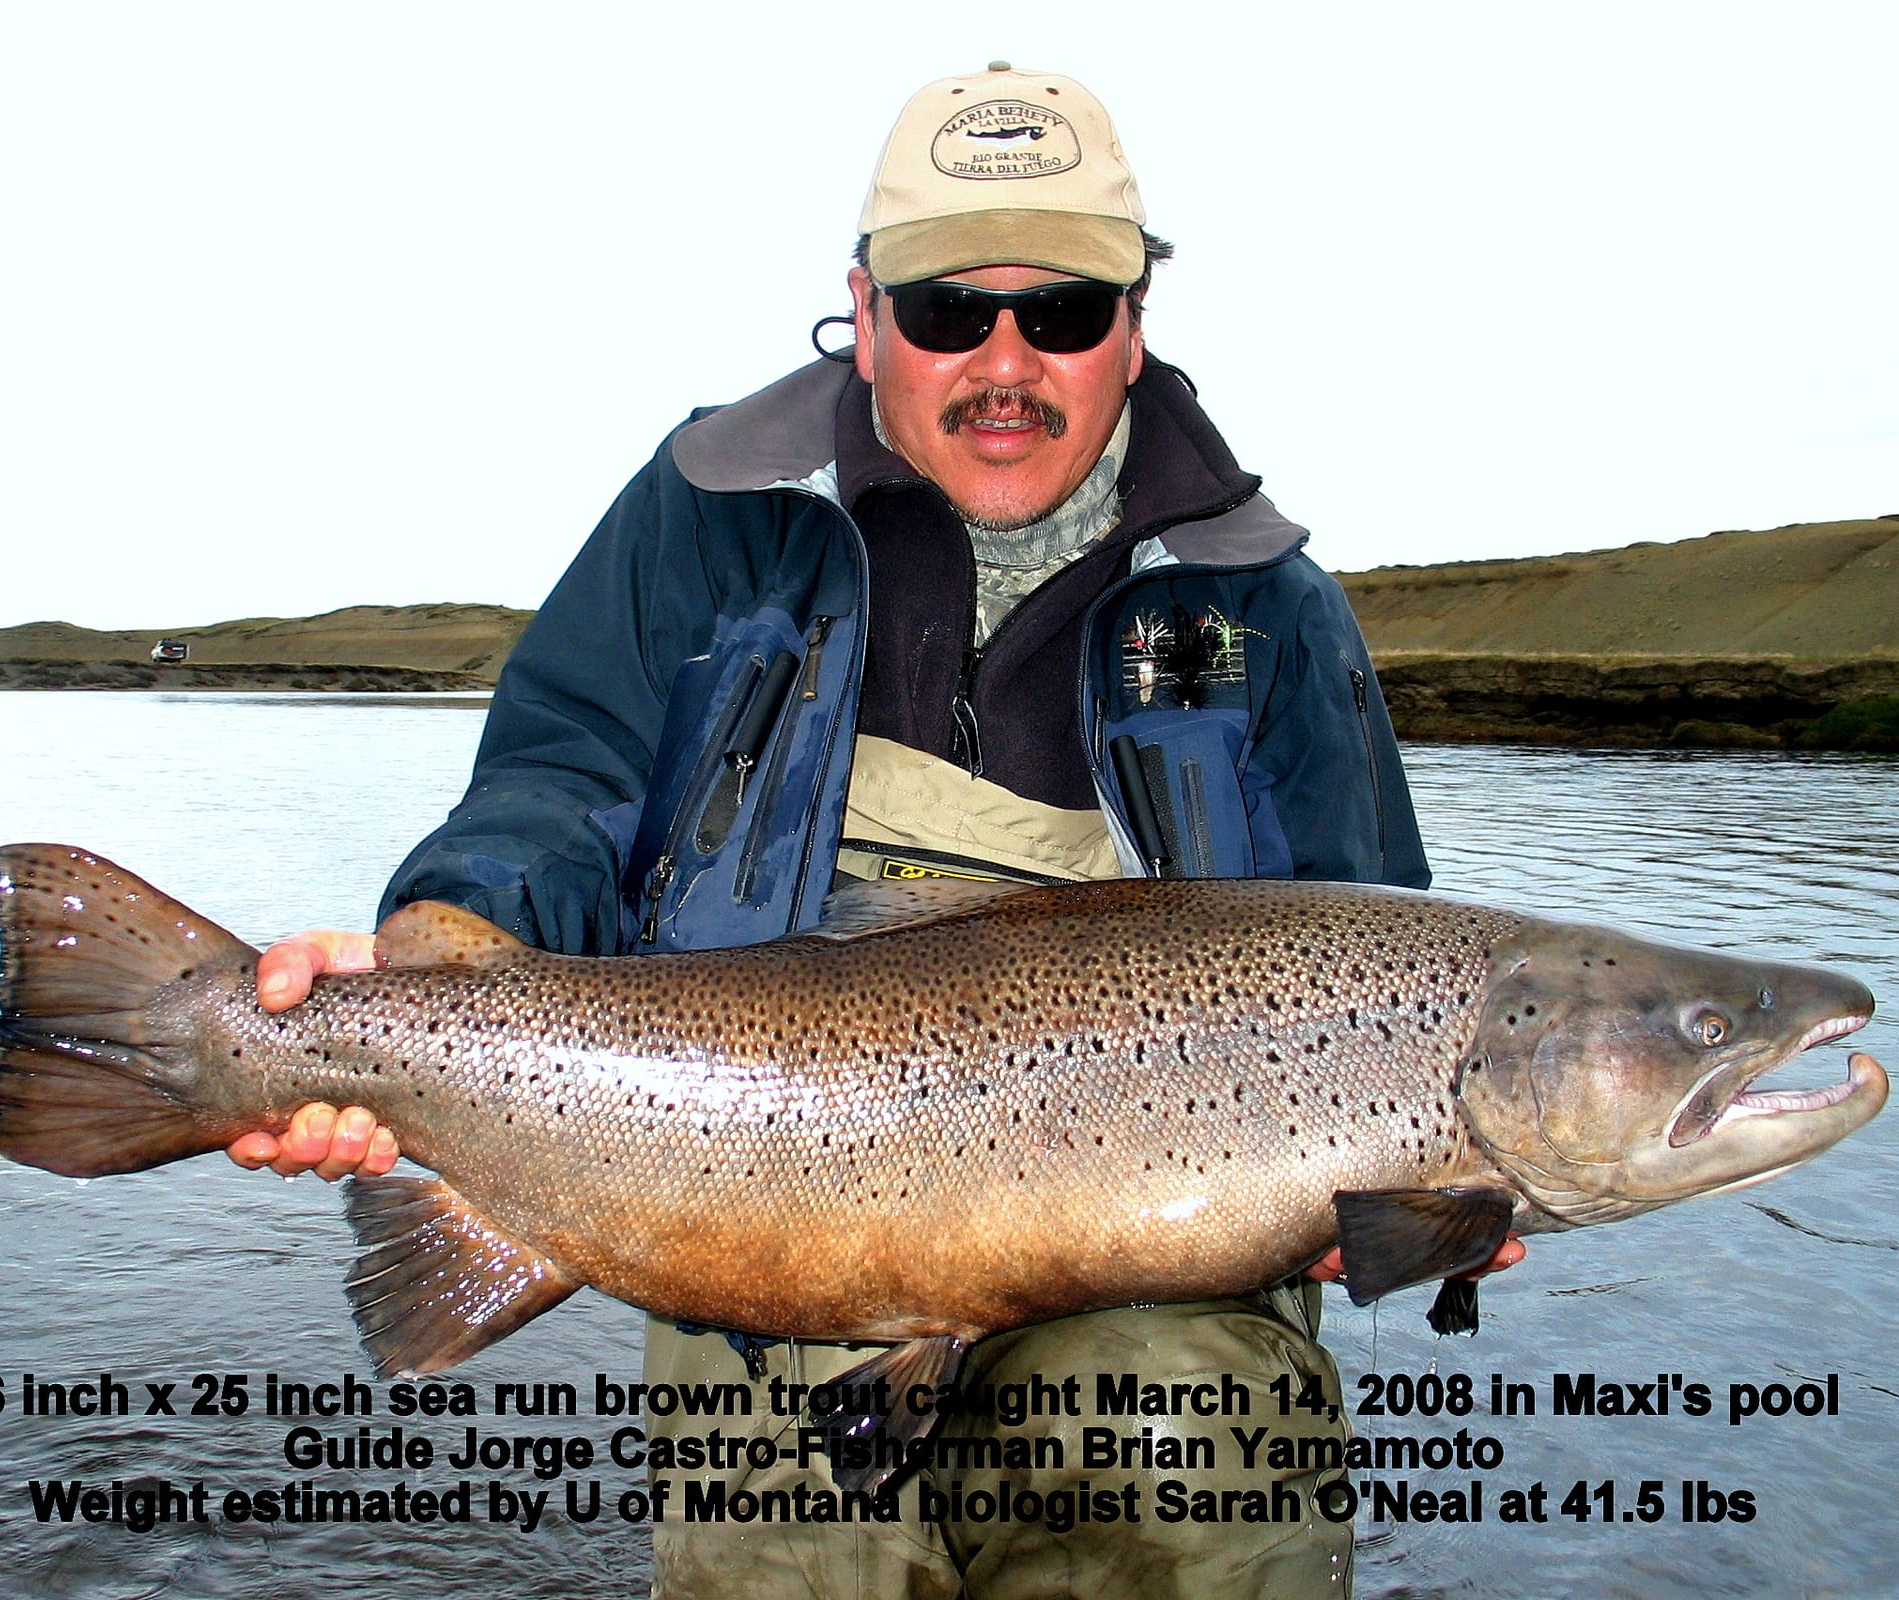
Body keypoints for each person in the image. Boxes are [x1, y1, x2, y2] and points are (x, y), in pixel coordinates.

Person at [232, 64, 1519, 1598]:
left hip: (1164, 1275)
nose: (1004, 363)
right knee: (794, 1560)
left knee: (1189, 1480)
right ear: (860, 302)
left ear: (1137, 319)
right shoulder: (711, 515)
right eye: (944, 308)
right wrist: (433, 956)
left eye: (1061, 312)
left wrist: (1426, 1212)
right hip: (757, 1208)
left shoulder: (1267, 610)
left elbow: (1373, 941)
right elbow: (562, 781)